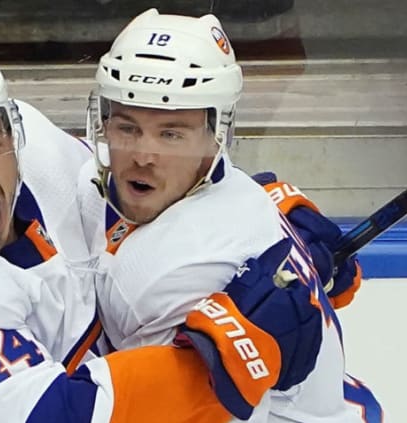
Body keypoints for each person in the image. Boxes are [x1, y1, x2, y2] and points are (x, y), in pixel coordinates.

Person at [0, 28, 321, 423]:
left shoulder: (36, 149)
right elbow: (66, 413)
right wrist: (223, 357)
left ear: (11, 129)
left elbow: (112, 199)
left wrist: (250, 211)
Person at [81, 8, 382, 422]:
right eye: (127, 127)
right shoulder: (241, 194)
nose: (142, 157)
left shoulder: (174, 271)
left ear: (214, 136)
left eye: (171, 134)